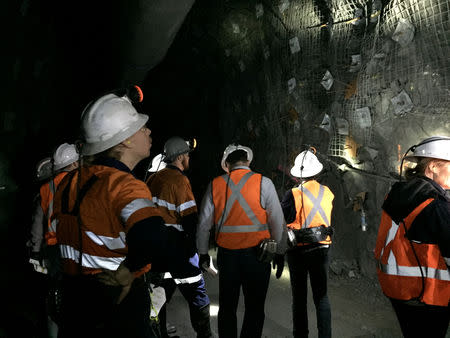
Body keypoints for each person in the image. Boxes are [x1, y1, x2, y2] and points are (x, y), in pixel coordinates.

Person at [52, 86, 185, 338]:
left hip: (74, 301)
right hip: (117, 300)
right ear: (124, 140)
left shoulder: (70, 182)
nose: (148, 130)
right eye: (141, 127)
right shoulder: (123, 185)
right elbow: (153, 237)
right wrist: (130, 269)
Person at [197, 143, 286, 338]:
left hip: (228, 257)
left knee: (227, 307)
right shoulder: (264, 183)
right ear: (247, 161)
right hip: (258, 257)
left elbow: (204, 224)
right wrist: (280, 252)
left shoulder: (216, 184)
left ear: (227, 164)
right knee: (254, 308)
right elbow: (278, 221)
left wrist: (203, 253)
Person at [374, 136, 450, 338]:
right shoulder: (434, 205)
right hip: (426, 294)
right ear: (434, 166)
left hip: (397, 289)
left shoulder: (398, 192)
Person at [146, 136, 212, 338]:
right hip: (179, 250)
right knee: (197, 291)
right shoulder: (180, 181)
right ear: (181, 157)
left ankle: (159, 334)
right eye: (187, 156)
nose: (189, 159)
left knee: (158, 295)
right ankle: (204, 334)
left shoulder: (152, 179)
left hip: (157, 249)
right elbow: (190, 220)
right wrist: (200, 251)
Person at [26, 145, 80, 337]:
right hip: (78, 247)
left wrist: (35, 250)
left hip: (53, 250)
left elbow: (37, 225)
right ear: (74, 162)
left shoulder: (45, 188)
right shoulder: (83, 181)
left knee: (55, 297)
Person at [281, 148, 334, 338]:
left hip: (299, 250)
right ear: (316, 172)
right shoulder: (327, 192)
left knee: (300, 298)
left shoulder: (292, 194)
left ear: (298, 174)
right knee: (322, 297)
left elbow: (283, 221)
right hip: (322, 248)